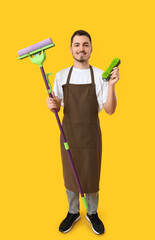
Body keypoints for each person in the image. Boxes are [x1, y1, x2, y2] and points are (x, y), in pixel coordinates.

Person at [46, 30, 120, 234]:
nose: (81, 49)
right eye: (77, 45)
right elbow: (57, 106)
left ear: (91, 49)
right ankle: (73, 211)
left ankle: (92, 212)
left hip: (91, 134)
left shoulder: (100, 76)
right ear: (70, 49)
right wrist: (51, 103)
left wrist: (112, 86)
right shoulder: (61, 75)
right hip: (68, 133)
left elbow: (110, 110)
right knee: (70, 173)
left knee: (91, 173)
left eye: (85, 45)